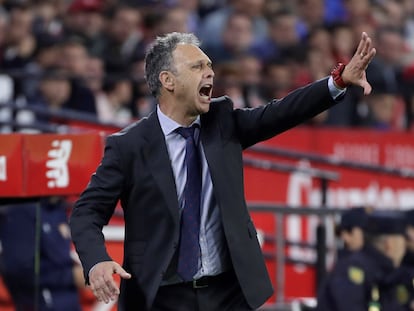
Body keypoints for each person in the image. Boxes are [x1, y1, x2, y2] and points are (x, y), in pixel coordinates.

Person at [69, 31, 375, 310]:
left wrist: (338, 82)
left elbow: (281, 112)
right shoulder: (129, 146)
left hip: (228, 294)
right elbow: (87, 212)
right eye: (197, 67)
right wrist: (97, 261)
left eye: (209, 65)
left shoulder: (222, 120)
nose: (210, 72)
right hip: (162, 297)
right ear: (168, 80)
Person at [316, 210, 414, 311]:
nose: (405, 248)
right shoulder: (352, 271)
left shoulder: (389, 274)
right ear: (389, 244)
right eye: (403, 242)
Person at [0, 197, 84, 311]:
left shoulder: (58, 208)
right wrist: (71, 276)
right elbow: (19, 271)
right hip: (41, 304)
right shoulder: (22, 211)